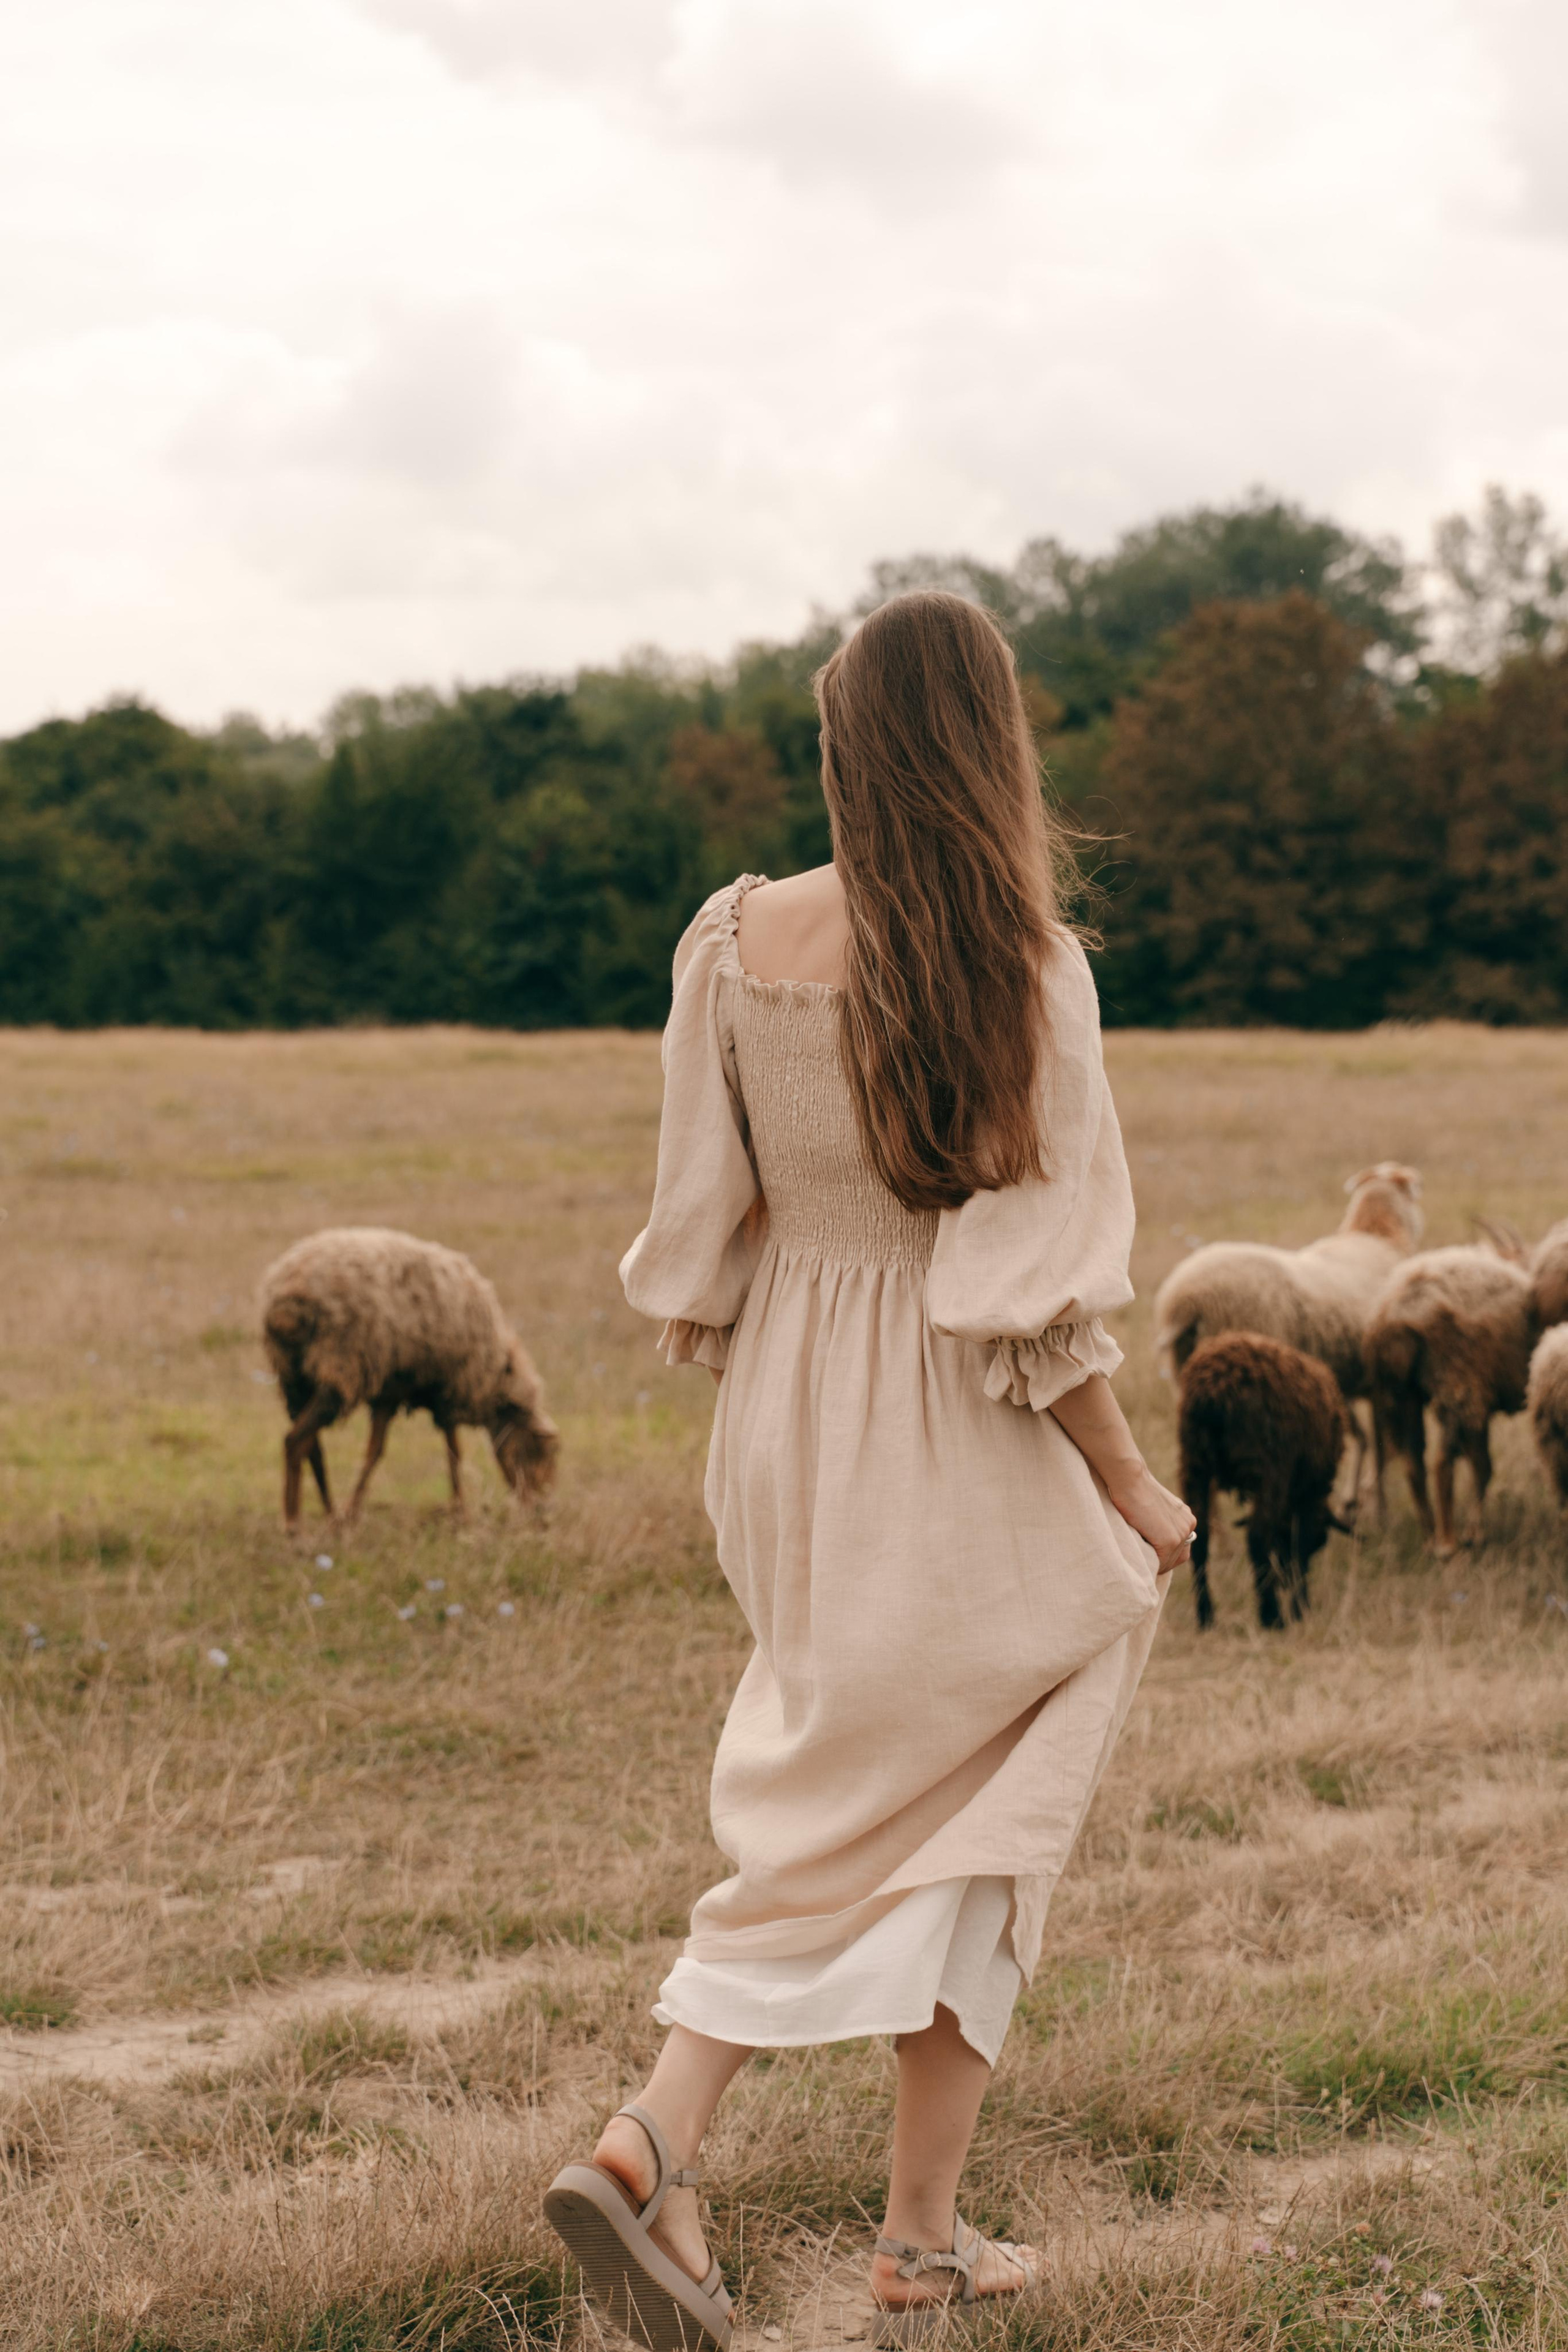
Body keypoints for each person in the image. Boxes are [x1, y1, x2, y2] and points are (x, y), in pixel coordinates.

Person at [544, 591, 1195, 2351]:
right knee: (984, 1791)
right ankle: (741, 2171)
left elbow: (710, 1227)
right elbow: (1026, 1305)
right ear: (992, 746)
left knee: (854, 1778)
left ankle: (813, 2199)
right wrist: (1133, 1486)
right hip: (950, 1419)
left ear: (844, 741)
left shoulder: (734, 940)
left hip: (783, 1422)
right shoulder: (1027, 968)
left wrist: (783, 1380)